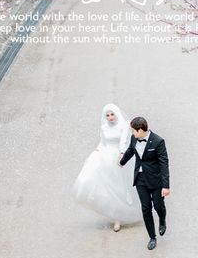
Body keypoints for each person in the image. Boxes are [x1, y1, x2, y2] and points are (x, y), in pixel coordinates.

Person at [72, 104, 142, 231]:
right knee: (100, 182)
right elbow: (102, 141)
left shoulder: (123, 126)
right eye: (107, 115)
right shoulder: (104, 127)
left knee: (118, 187)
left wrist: (121, 154)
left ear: (116, 114)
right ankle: (109, 211)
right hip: (104, 155)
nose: (110, 117)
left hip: (117, 158)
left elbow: (123, 142)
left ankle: (119, 218)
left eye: (112, 114)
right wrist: (98, 150)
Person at [119, 116, 170, 250]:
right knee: (146, 208)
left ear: (140, 130)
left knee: (158, 206)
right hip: (140, 179)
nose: (132, 133)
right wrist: (122, 162)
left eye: (134, 131)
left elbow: (164, 164)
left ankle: (162, 220)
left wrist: (166, 186)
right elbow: (131, 150)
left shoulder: (158, 141)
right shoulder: (134, 138)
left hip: (156, 180)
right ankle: (152, 237)